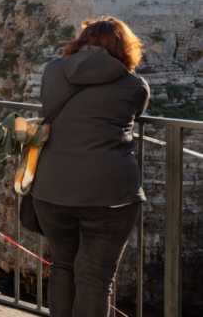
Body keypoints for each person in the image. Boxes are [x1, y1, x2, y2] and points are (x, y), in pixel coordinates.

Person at [31, 17, 149, 317]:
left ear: (82, 41)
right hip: (110, 193)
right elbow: (134, 111)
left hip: (52, 189)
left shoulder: (53, 71)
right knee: (96, 278)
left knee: (62, 267)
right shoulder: (135, 86)